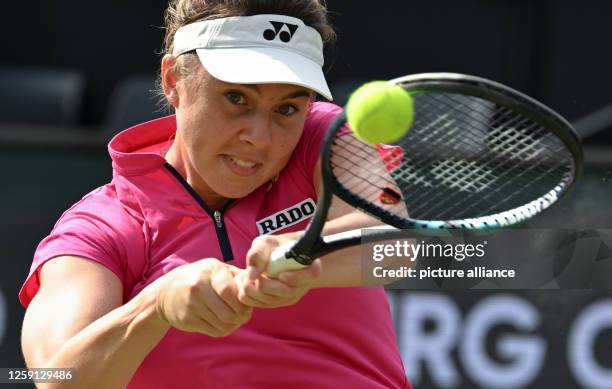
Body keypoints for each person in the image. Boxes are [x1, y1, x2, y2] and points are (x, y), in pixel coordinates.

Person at [20, 1, 411, 387]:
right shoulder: (101, 227)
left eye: (287, 109)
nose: (259, 137)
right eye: (237, 98)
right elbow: (57, 379)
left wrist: (300, 253)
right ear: (174, 80)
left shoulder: (325, 136)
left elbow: (395, 243)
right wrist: (155, 306)